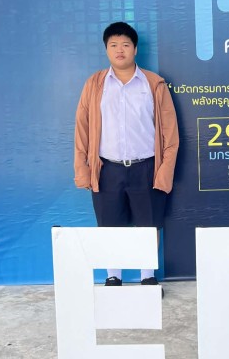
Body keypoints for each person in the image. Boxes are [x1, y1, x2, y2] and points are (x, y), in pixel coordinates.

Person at [74, 22, 179, 288]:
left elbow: (170, 133)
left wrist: (165, 170)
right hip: (107, 168)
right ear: (106, 50)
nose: (119, 49)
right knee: (109, 226)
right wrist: (82, 168)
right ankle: (113, 276)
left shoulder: (154, 84)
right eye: (113, 45)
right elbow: (82, 129)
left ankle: (147, 276)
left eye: (125, 44)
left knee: (149, 226)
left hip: (147, 167)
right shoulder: (95, 84)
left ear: (135, 49)